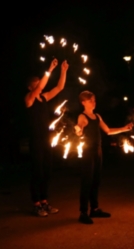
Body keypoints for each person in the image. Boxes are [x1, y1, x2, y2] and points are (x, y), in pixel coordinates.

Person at [74, 91, 133, 224]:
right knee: (86, 181)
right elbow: (80, 126)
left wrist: (124, 128)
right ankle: (83, 212)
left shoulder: (97, 116)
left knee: (96, 180)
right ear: (83, 103)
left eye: (94, 100)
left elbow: (108, 130)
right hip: (87, 152)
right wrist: (78, 129)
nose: (94, 102)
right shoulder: (82, 117)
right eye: (90, 101)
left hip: (98, 151)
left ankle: (94, 209)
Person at [25, 58, 69, 217]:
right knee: (37, 171)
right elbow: (41, 87)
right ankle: (36, 203)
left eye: (39, 82)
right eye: (36, 83)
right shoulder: (29, 99)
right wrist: (49, 69)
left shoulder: (43, 98)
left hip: (46, 139)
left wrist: (63, 71)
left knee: (47, 170)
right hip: (35, 139)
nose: (40, 85)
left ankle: (44, 201)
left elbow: (59, 87)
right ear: (31, 87)